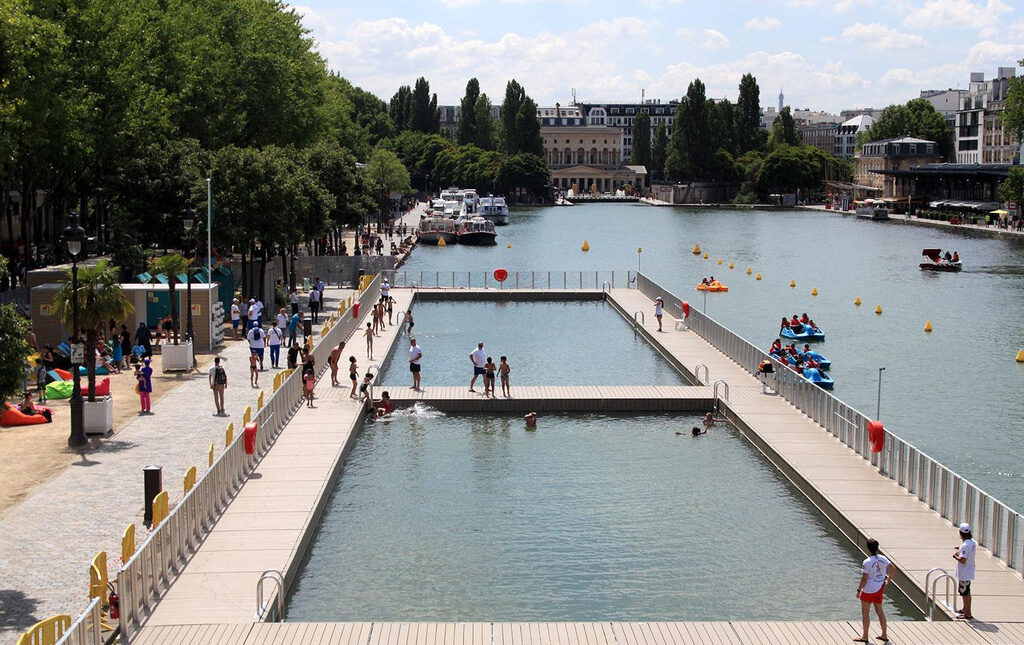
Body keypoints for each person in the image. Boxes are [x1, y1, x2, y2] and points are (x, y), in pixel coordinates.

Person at [854, 538, 891, 642]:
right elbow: (893, 568)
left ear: (868, 548)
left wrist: (858, 590)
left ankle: (865, 636)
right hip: (879, 588)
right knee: (880, 612)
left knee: (865, 613)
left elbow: (864, 579)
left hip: (869, 590)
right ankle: (884, 634)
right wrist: (888, 580)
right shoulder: (883, 558)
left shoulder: (867, 562)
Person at [953, 522, 976, 620]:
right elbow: (967, 550)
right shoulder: (972, 542)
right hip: (969, 571)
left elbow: (963, 560)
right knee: (966, 591)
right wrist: (960, 548)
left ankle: (968, 613)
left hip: (964, 572)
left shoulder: (965, 546)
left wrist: (955, 556)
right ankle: (965, 609)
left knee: (965, 593)